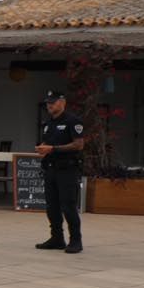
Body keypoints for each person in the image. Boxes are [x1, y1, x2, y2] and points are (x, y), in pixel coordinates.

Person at [34, 90, 87, 254]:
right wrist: (43, 148)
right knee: (52, 207)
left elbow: (79, 145)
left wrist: (53, 149)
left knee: (68, 206)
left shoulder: (73, 121)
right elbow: (49, 143)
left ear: (63, 103)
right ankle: (57, 238)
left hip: (67, 170)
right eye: (48, 102)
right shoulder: (48, 123)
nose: (50, 105)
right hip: (50, 169)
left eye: (53, 102)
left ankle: (75, 240)